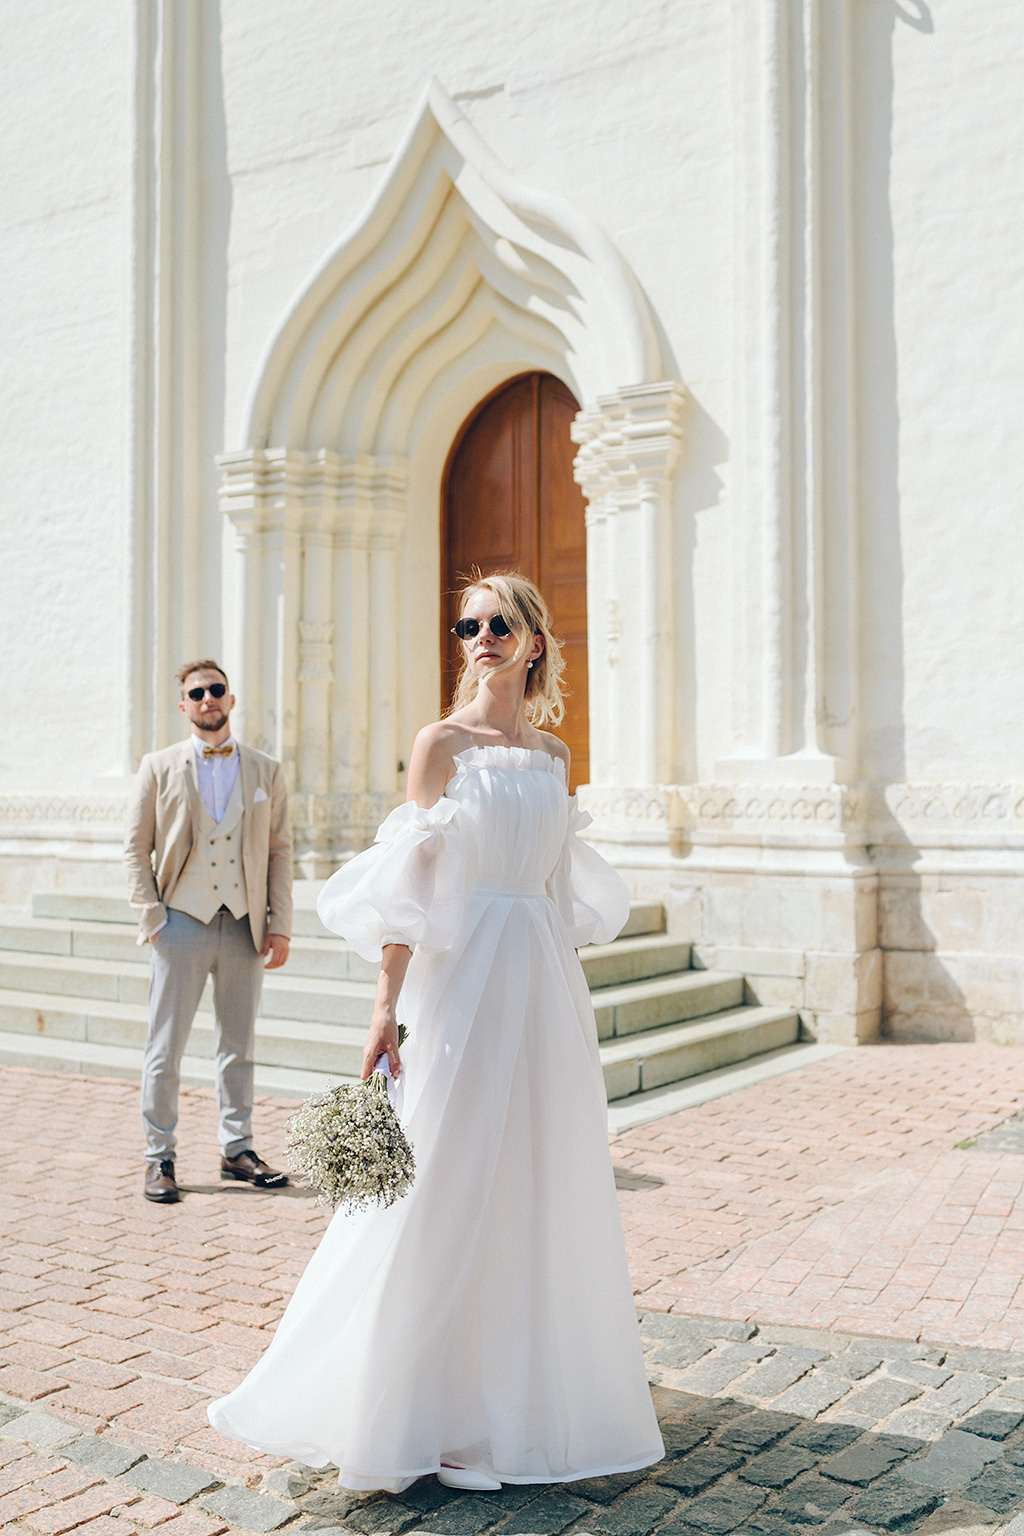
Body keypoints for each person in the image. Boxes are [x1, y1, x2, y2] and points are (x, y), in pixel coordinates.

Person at [207, 574, 664, 1490]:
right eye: (467, 624)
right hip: (459, 981)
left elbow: (552, 889)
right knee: (443, 1175)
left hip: (539, 979)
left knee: (532, 1176)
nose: (480, 636)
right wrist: (386, 1007)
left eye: (499, 622)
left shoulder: (553, 755)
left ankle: (514, 1402)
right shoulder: (439, 745)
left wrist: (562, 994)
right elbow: (407, 890)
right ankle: (417, 1407)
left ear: (533, 640)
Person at [124, 660, 293, 1204]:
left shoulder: (266, 770)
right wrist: (153, 918)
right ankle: (159, 1157)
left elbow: (280, 852)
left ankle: (237, 1149)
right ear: (184, 706)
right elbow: (135, 849)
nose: (207, 699)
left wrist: (280, 924)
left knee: (238, 1047)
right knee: (164, 1049)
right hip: (180, 923)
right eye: (196, 693)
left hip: (245, 925)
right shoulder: (158, 767)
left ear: (231, 698)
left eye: (216, 689)